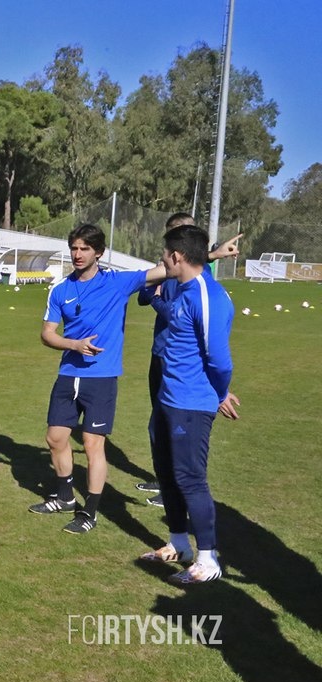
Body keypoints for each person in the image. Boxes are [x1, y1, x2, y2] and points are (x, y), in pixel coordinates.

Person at [31, 223, 167, 534]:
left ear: (99, 253)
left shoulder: (118, 283)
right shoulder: (61, 290)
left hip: (101, 378)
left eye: (85, 249)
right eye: (74, 248)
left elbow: (165, 270)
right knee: (55, 438)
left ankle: (89, 512)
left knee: (93, 444)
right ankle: (65, 497)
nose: (77, 254)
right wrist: (74, 345)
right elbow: (47, 334)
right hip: (68, 374)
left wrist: (209, 254)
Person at [139, 224, 238, 583]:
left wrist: (220, 393)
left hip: (191, 405)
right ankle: (178, 543)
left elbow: (220, 360)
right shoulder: (182, 291)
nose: (162, 260)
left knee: (190, 479)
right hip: (167, 401)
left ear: (177, 256)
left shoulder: (208, 296)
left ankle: (208, 560)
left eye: (164, 255)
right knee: (166, 473)